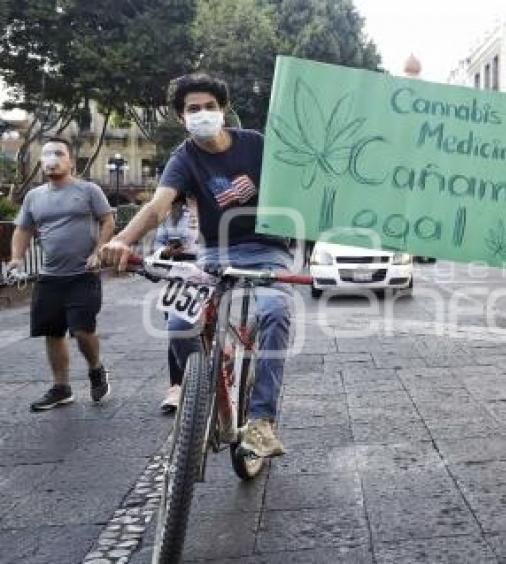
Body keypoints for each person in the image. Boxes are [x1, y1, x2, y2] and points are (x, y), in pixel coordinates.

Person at [100, 73, 293, 458]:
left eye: (209, 106)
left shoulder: (256, 144)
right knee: (178, 324)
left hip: (267, 250)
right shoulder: (183, 158)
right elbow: (158, 206)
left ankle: (260, 421)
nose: (202, 114)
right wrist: (123, 238)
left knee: (276, 311)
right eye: (193, 109)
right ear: (181, 116)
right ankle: (202, 391)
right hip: (213, 255)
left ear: (223, 110)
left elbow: (300, 179)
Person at [9, 137, 114, 411]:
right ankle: (61, 387)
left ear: (71, 162)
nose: (51, 158)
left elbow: (107, 219)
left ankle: (95, 368)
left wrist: (99, 251)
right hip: (50, 277)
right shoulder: (34, 197)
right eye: (46, 154)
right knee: (52, 332)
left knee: (81, 330)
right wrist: (16, 258)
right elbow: (22, 229)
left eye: (58, 153)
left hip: (83, 273)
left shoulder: (89, 190)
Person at [152, 196, 199, 413]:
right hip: (179, 275)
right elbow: (158, 246)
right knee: (176, 328)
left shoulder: (220, 203)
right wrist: (166, 252)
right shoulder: (172, 214)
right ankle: (177, 386)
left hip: (211, 271)